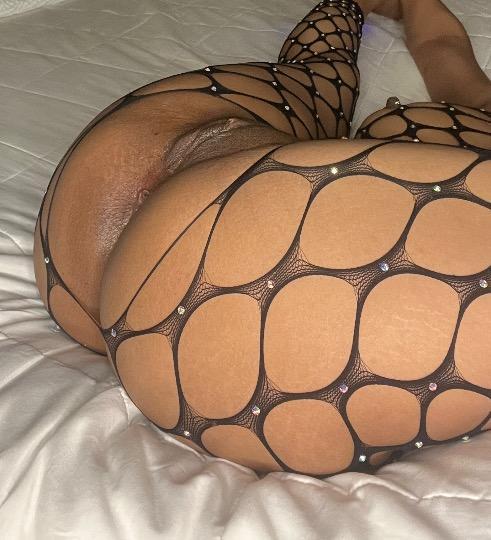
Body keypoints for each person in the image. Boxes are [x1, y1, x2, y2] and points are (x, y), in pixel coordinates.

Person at [34, 0, 490, 477]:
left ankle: (350, 4)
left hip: (86, 230)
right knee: (391, 118)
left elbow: (442, 51)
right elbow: (450, 61)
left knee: (316, 80)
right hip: (247, 329)